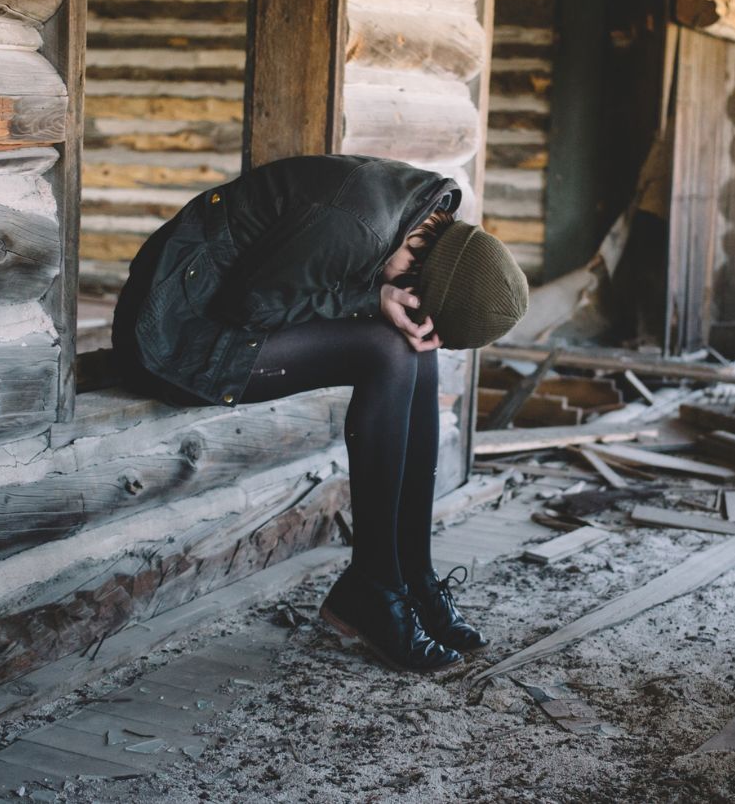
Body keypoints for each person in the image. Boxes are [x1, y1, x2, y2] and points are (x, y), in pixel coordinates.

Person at [113, 154, 530, 672]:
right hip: (177, 327)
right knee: (389, 349)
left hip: (223, 305)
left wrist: (385, 301)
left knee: (410, 349)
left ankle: (412, 575)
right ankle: (375, 586)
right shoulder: (359, 227)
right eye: (419, 300)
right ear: (423, 274)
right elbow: (251, 306)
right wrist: (371, 298)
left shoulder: (419, 211)